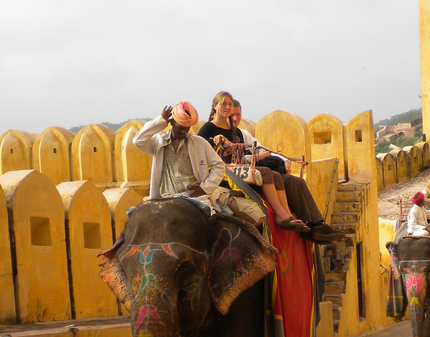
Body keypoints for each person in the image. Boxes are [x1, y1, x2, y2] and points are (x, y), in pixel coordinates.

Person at [230, 99, 345, 244]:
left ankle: (316, 225)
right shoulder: (220, 134)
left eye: (238, 114)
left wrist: (283, 159)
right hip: (244, 175)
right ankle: (302, 223)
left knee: (296, 181)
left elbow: (265, 150)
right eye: (232, 115)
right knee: (275, 176)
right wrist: (254, 157)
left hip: (259, 173)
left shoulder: (243, 133)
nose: (235, 118)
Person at [198, 91, 308, 232]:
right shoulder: (209, 127)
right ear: (214, 106)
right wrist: (214, 140)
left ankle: (286, 214)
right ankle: (280, 214)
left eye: (229, 104)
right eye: (223, 104)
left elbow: (245, 154)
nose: (227, 107)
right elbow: (199, 145)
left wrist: (257, 155)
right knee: (266, 173)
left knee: (275, 175)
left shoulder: (236, 132)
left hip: (237, 166)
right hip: (222, 170)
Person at [132, 102, 226, 212]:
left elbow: (219, 166)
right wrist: (161, 121)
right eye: (180, 128)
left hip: (194, 198)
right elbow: (138, 141)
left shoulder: (199, 143)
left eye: (187, 129)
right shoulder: (158, 142)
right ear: (171, 122)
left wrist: (205, 188)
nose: (184, 132)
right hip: (164, 199)